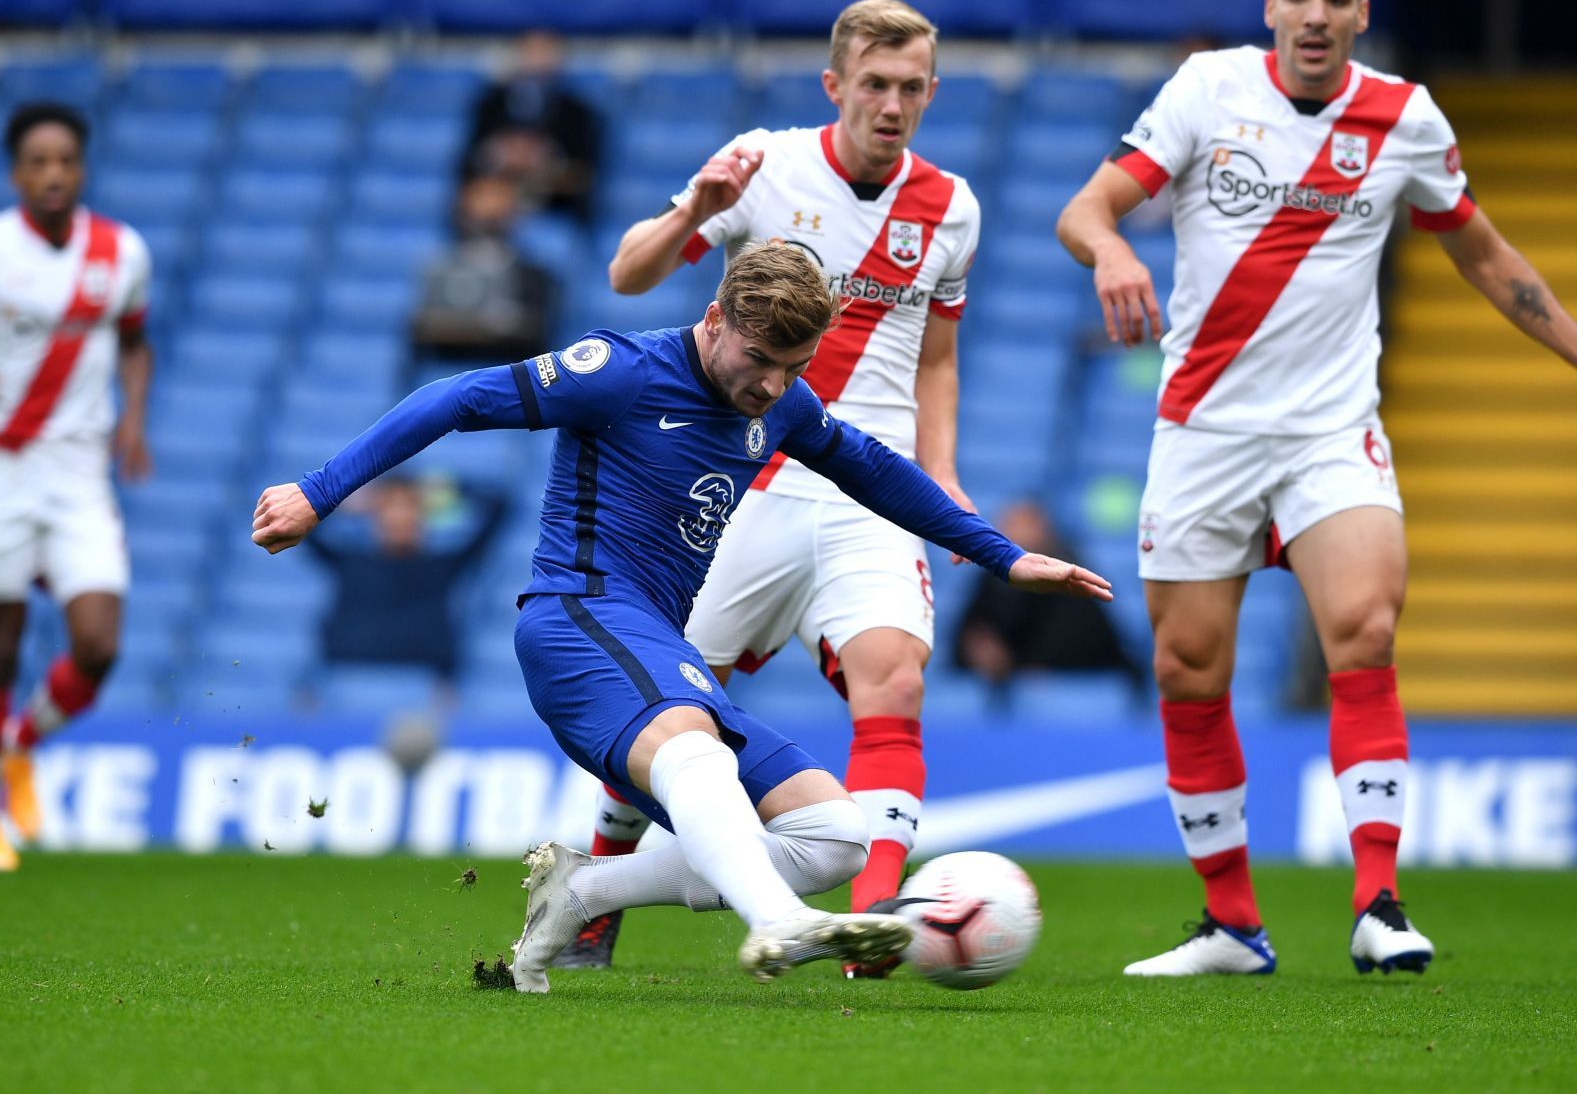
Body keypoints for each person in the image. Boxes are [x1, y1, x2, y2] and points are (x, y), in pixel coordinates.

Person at [249, 240, 1109, 991]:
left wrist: (1006, 555)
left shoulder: (782, 404)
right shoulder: (621, 372)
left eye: (795, 368)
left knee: (834, 837)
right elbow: (459, 397)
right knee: (695, 746)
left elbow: (874, 470)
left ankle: (584, 892)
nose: (773, 385)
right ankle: (777, 920)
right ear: (715, 320)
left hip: (654, 642)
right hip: (578, 619)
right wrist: (320, 493)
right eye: (761, 359)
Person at [1055, 0, 1577, 978]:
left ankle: (1379, 901)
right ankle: (1232, 924)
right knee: (1189, 668)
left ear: (1361, 12)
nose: (1318, 13)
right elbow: (1087, 205)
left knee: (1365, 630)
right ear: (1272, 6)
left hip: (1333, 430)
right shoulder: (1208, 90)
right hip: (1204, 430)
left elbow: (1479, 246)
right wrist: (1111, 248)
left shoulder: (1404, 116)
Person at [591, 0, 979, 974]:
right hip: (743, 479)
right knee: (671, 702)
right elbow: (629, 274)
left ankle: (873, 915)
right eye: (875, 84)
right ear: (835, 85)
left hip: (867, 485)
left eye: (911, 87)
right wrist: (695, 208)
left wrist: (943, 473)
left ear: (932, 90)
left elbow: (937, 359)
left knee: (894, 675)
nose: (892, 104)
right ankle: (595, 885)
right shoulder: (761, 164)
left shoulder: (952, 207)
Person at [0, 102, 154, 873]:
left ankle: (21, 742)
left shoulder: (121, 252)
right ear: (17, 173)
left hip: (79, 471)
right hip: (2, 472)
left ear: (82, 168)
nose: (53, 174)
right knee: (0, 650)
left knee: (99, 643)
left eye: (66, 161)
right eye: (38, 162)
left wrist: (133, 422)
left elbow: (137, 343)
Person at [305, 478, 505, 686]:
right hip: (348, 682)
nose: (399, 517)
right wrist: (342, 501)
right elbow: (300, 522)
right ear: (375, 515)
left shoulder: (442, 566)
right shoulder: (348, 562)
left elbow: (499, 508)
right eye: (390, 507)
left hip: (424, 689)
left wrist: (451, 491)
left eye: (408, 507)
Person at [955, 499, 1142, 705]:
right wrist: (976, 648)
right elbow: (971, 634)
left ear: (1044, 530)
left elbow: (1080, 640)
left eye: (1022, 525)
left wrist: (1021, 664)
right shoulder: (992, 576)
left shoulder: (1068, 573)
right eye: (1008, 524)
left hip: (1078, 684)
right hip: (1016, 683)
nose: (1012, 533)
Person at [411, 160, 556, 369]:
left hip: (507, 371)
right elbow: (422, 326)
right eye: (482, 196)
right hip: (449, 366)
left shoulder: (535, 275)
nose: (489, 207)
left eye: (499, 196)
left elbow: (535, 334)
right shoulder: (439, 265)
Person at [463, 29, 601, 224]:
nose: (537, 61)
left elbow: (585, 171)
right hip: (497, 200)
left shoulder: (577, 112)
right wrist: (502, 153)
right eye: (532, 52)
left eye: (545, 52)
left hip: (556, 206)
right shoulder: (490, 104)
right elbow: (470, 159)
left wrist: (545, 160)